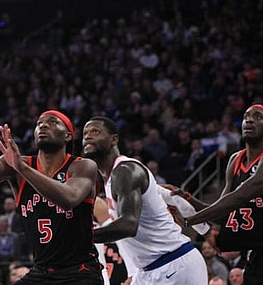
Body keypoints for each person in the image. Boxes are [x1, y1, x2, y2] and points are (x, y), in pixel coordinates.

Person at [82, 116, 207, 284]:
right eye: (85, 133)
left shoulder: (126, 170)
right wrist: (134, 272)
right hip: (149, 269)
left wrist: (80, 237)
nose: (88, 136)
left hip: (173, 263)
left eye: (95, 132)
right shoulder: (108, 177)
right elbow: (171, 196)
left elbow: (128, 225)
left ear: (114, 139)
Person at [0, 111, 104, 284]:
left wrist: (22, 168)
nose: (43, 126)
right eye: (39, 123)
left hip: (79, 272)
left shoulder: (83, 166)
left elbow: (69, 199)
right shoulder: (18, 163)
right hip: (41, 272)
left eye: (52, 122)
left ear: (68, 136)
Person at [171, 104, 263, 285]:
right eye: (246, 117)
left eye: (258, 116)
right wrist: (188, 199)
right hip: (255, 251)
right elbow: (223, 210)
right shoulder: (236, 160)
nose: (249, 120)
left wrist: (190, 221)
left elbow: (240, 197)